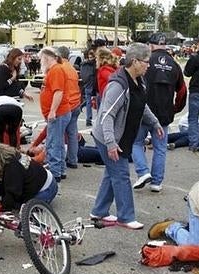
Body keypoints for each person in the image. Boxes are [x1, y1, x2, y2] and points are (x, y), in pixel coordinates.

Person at [90, 43, 163, 230]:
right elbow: (107, 115)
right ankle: (126, 216)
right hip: (108, 137)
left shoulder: (139, 81)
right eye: (146, 62)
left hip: (122, 137)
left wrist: (155, 123)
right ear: (135, 62)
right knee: (121, 174)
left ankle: (99, 211)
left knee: (111, 174)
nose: (149, 65)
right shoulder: (118, 84)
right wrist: (110, 143)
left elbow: (141, 105)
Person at [132, 32, 187, 192]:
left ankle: (143, 172)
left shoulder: (145, 62)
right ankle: (156, 182)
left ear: (150, 45)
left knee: (136, 143)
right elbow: (182, 91)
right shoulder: (174, 64)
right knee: (160, 148)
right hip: (164, 113)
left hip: (143, 110)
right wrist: (175, 108)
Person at [0, 143, 58, 211]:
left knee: (20, 209)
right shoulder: (13, 156)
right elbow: (5, 182)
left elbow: (12, 192)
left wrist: (2, 208)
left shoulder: (12, 168)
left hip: (45, 191)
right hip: (49, 181)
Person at [38, 47, 71, 181]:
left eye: (41, 59)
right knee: (58, 143)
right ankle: (60, 170)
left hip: (58, 114)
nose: (40, 62)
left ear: (46, 58)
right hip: (60, 113)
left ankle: (55, 173)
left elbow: (58, 92)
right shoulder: (54, 70)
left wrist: (52, 111)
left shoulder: (56, 70)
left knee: (53, 143)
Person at [56, 46, 82, 171]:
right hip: (76, 103)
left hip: (66, 104)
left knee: (59, 134)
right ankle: (73, 160)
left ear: (59, 56)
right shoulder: (72, 68)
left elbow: (59, 90)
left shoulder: (60, 68)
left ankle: (60, 163)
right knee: (72, 134)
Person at [80, 48, 96, 127]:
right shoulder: (94, 64)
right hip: (93, 85)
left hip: (87, 85)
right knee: (92, 101)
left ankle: (88, 119)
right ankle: (89, 119)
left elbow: (82, 75)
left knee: (88, 101)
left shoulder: (83, 64)